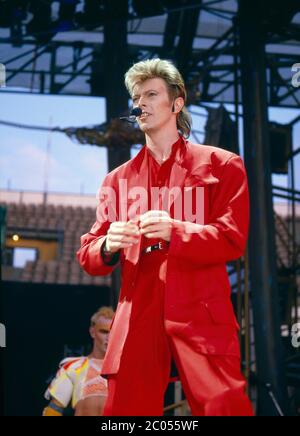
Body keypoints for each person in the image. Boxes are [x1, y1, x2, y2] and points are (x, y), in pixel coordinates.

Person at [77, 58, 254, 416]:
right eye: (137, 96)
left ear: (177, 102)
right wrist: (109, 244)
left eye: (151, 94)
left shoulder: (223, 165)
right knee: (125, 415)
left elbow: (232, 239)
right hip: (136, 312)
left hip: (200, 310)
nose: (140, 103)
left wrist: (177, 230)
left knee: (224, 407)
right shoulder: (116, 180)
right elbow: (89, 254)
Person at [43, 306, 114, 416]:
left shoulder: (125, 371)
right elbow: (54, 410)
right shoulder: (74, 367)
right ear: (92, 332)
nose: (109, 338)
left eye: (113, 332)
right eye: (104, 332)